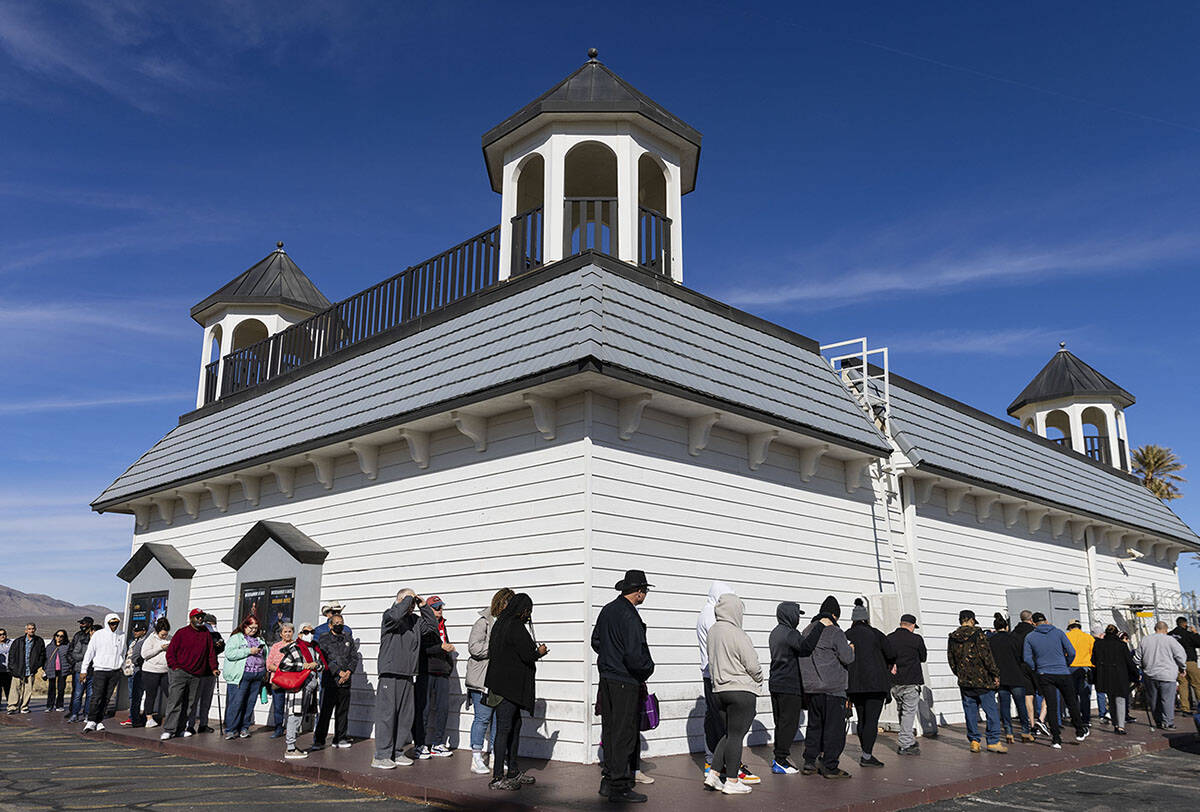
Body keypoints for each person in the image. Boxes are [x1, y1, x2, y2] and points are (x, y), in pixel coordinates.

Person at [592, 569, 655, 804]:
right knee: (624, 733)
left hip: (607, 678)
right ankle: (620, 785)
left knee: (610, 729)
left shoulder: (608, 610)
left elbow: (596, 640)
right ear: (638, 592)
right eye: (645, 591)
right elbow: (635, 654)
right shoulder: (630, 616)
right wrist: (647, 668)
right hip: (624, 680)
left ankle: (609, 781)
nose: (645, 595)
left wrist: (610, 655)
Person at [485, 593, 548, 791]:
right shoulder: (516, 627)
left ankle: (512, 770)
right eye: (528, 611)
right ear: (523, 610)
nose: (528, 615)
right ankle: (497, 777)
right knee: (505, 729)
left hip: (501, 686)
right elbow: (528, 654)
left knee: (514, 726)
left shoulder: (500, 624)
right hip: (509, 688)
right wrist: (540, 652)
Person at [703, 592, 763, 796]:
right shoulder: (738, 633)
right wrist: (760, 678)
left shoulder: (712, 631)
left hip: (719, 690)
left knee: (728, 734)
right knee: (737, 736)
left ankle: (713, 774)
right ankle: (732, 780)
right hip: (741, 690)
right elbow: (753, 665)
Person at [799, 596, 855, 778]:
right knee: (834, 729)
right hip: (833, 688)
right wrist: (851, 648)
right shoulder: (835, 632)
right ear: (834, 615)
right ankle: (830, 766)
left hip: (812, 688)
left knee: (814, 726)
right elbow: (847, 658)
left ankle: (809, 762)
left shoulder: (806, 631)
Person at [373, 590, 423, 769]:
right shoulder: (389, 615)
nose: (412, 605)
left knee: (405, 716)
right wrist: (408, 598)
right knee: (387, 715)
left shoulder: (414, 621)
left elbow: (431, 627)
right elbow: (395, 616)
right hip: (390, 672)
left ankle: (397, 751)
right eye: (409, 601)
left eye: (413, 602)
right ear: (400, 600)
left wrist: (423, 606)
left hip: (407, 674)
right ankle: (381, 755)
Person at [466, 587, 514, 774]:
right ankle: (476, 757)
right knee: (483, 718)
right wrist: (496, 645)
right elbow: (474, 648)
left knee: (498, 719)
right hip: (482, 680)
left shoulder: (509, 623)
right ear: (501, 603)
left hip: (500, 679)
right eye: (508, 603)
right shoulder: (484, 622)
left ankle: (496, 755)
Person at [1023, 612, 1086, 748]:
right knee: (1072, 702)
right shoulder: (1058, 633)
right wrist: (1066, 664)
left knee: (1051, 706)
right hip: (1062, 672)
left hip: (1044, 673)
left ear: (1033, 623)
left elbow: (1027, 658)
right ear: (1046, 620)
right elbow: (1072, 652)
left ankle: (1056, 739)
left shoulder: (1030, 637)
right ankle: (1079, 730)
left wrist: (1036, 667)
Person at [845, 599, 896, 768]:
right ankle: (867, 755)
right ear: (867, 619)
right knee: (872, 720)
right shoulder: (876, 634)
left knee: (862, 719)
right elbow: (890, 654)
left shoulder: (847, 634)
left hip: (854, 684)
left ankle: (865, 751)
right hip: (875, 684)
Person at [947, 609, 1005, 754]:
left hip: (965, 681)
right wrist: (995, 674)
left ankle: (974, 741)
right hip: (983, 679)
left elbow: (951, 660)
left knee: (970, 712)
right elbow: (987, 657)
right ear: (972, 620)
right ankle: (993, 741)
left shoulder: (953, 637)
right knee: (990, 711)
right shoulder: (978, 634)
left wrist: (960, 674)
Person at [161, 608, 219, 741]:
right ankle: (169, 729)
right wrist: (174, 667)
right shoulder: (182, 633)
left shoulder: (206, 634)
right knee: (175, 701)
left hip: (197, 675)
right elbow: (171, 652)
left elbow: (210, 653)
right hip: (180, 672)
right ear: (191, 618)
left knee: (190, 703)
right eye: (197, 617)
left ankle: (181, 729)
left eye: (201, 617)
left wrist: (214, 667)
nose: (200, 619)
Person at [768, 600, 809, 774]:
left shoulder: (775, 632)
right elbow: (806, 648)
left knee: (780, 722)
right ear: (790, 615)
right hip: (789, 684)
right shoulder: (791, 634)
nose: (798, 619)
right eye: (797, 615)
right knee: (789, 723)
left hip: (775, 682)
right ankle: (780, 760)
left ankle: (779, 756)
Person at [697, 581, 734, 772]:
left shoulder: (706, 612)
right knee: (719, 720)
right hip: (715, 674)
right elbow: (719, 644)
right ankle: (720, 762)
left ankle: (712, 761)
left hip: (710, 673)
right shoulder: (711, 615)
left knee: (712, 718)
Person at [277, 622, 325, 759]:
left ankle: (293, 745)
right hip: (297, 687)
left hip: (310, 687)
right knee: (294, 716)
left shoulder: (315, 648)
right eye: (306, 632)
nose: (309, 635)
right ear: (299, 634)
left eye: (311, 632)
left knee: (301, 717)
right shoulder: (295, 648)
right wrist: (303, 666)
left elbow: (321, 664)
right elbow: (284, 665)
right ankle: (290, 748)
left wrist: (316, 665)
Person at [417, 596, 456, 758]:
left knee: (443, 709)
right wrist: (441, 647)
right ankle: (420, 744)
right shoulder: (423, 625)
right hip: (426, 671)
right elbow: (421, 649)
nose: (439, 610)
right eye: (436, 607)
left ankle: (438, 743)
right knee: (424, 710)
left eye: (441, 607)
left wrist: (449, 665)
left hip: (442, 672)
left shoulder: (442, 624)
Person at [313, 612, 358, 750]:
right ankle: (319, 740)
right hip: (330, 681)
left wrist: (348, 672)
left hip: (346, 681)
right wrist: (339, 672)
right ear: (330, 625)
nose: (339, 625)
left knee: (342, 711)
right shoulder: (324, 638)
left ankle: (340, 738)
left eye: (341, 622)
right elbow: (324, 658)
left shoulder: (347, 638)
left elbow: (354, 657)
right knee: (326, 711)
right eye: (336, 623)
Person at [988, 614, 1032, 743]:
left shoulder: (991, 641)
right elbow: (1021, 657)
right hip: (1016, 675)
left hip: (1001, 677)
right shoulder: (1015, 639)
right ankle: (1025, 731)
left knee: (1004, 706)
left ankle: (1008, 732)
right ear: (1006, 627)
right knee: (1021, 705)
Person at [1134, 620, 1187, 729]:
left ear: (1155, 629)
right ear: (1166, 630)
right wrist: (1182, 667)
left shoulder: (1145, 640)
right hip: (1167, 674)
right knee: (1167, 700)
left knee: (1153, 699)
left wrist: (1141, 666)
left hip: (1150, 674)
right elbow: (1180, 655)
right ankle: (1168, 722)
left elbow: (1137, 658)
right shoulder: (1170, 640)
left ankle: (1158, 721)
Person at [887, 613, 927, 755]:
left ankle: (908, 738)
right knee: (909, 713)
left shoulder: (889, 638)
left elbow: (885, 657)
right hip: (911, 679)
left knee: (901, 711)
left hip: (895, 681)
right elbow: (923, 657)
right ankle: (905, 743)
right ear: (911, 626)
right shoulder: (916, 639)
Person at [222, 615, 267, 740]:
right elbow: (230, 654)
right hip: (241, 675)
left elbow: (265, 655)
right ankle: (231, 729)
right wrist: (248, 651)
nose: (253, 630)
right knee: (237, 702)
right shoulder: (236, 638)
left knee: (250, 703)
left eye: (255, 628)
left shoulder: (259, 639)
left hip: (257, 675)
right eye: (251, 627)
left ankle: (244, 727)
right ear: (245, 626)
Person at [80, 613, 125, 732]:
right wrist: (83, 670)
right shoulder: (98, 635)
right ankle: (91, 721)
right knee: (96, 697)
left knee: (106, 698)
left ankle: (99, 720)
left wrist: (122, 666)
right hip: (100, 670)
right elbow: (90, 652)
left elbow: (123, 652)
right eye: (111, 623)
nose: (114, 626)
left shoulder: (122, 635)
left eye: (116, 623)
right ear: (107, 622)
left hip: (114, 671)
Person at [1092, 624, 1137, 735]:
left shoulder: (1098, 644)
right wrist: (1135, 675)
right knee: (1120, 700)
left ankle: (1115, 724)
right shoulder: (1121, 645)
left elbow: (1094, 660)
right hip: (1120, 676)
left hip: (1105, 676)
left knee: (1111, 701)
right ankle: (1121, 726)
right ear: (1116, 633)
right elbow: (1129, 662)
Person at [187, 613, 224, 734]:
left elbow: (220, 648)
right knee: (194, 699)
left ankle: (203, 723)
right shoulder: (201, 633)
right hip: (199, 671)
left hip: (211, 671)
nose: (212, 627)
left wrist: (219, 645)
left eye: (214, 625)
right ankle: (190, 724)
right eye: (210, 624)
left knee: (206, 700)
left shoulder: (216, 634)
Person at [7, 623, 46, 715]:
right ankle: (12, 707)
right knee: (15, 689)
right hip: (18, 669)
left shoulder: (39, 641)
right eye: (29, 629)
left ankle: (24, 707)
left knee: (28, 690)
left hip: (31, 669)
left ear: (35, 629)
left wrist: (37, 665)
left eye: (33, 629)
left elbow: (42, 654)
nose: (31, 630)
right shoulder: (18, 641)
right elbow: (11, 655)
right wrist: (12, 667)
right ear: (26, 630)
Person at [140, 618, 171, 728]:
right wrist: (159, 648)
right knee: (151, 694)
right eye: (162, 635)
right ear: (158, 632)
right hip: (150, 671)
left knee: (170, 693)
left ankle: (172, 716)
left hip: (165, 671)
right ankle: (148, 718)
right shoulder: (151, 639)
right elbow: (144, 654)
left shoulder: (169, 639)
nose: (164, 637)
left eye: (166, 634)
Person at [266, 624, 295, 738]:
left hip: (292, 680)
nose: (287, 634)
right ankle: (278, 728)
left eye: (290, 631)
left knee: (292, 706)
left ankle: (292, 729)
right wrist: (281, 670)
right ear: (281, 634)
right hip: (277, 679)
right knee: (278, 705)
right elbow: (269, 664)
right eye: (285, 632)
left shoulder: (296, 645)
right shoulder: (275, 646)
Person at [1065, 620, 1095, 727]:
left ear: (1070, 627)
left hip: (1071, 668)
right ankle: (1086, 719)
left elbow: (1064, 652)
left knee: (1072, 695)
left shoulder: (1067, 636)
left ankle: (1075, 718)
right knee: (1085, 695)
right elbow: (1093, 653)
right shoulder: (1088, 637)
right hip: (1085, 667)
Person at [1168, 616, 1200, 715]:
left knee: (1183, 685)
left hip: (1176, 663)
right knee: (1197, 684)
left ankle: (1185, 708)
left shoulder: (1170, 635)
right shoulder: (1188, 634)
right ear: (1185, 624)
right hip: (1189, 661)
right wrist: (1195, 633)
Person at [66, 617, 94, 722]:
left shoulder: (97, 637)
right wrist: (74, 662)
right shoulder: (78, 636)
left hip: (93, 670)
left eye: (83, 623)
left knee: (90, 695)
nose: (81, 625)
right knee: (77, 693)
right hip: (79, 669)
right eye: (81, 623)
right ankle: (74, 713)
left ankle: (87, 714)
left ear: (90, 624)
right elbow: (72, 652)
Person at [121, 623, 148, 726]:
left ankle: (135, 718)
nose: (135, 632)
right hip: (130, 671)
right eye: (134, 630)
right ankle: (132, 716)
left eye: (138, 631)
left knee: (137, 696)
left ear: (144, 631)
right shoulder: (133, 642)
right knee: (132, 696)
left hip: (138, 671)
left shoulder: (144, 642)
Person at [43, 630, 70, 712]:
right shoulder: (49, 647)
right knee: (51, 688)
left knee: (61, 688)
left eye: (61, 636)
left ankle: (59, 705)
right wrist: (45, 669)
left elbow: (70, 658)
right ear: (55, 636)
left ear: (64, 637)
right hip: (51, 669)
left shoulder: (67, 646)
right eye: (57, 635)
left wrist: (69, 667)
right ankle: (49, 706)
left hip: (63, 670)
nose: (59, 637)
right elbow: (45, 659)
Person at [0, 629, 10, 708]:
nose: (2, 636)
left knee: (9, 689)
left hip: (8, 670)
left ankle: (10, 705)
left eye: (3, 634)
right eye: (0, 634)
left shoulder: (11, 643)